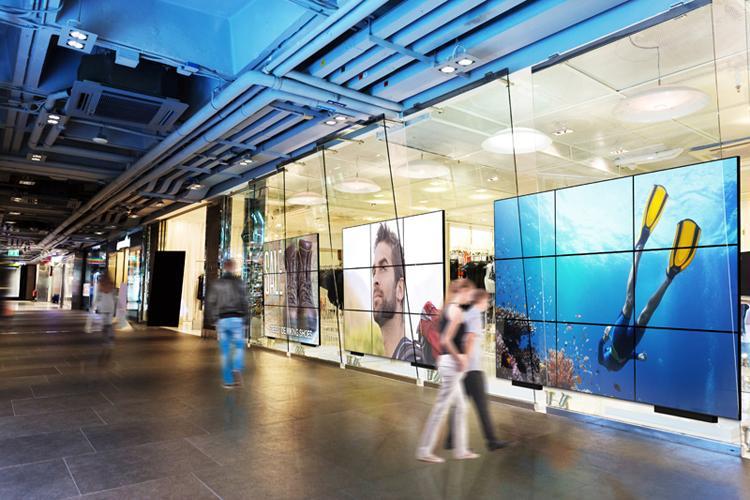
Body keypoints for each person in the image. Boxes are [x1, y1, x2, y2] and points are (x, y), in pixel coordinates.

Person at [598, 184, 701, 371]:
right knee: (645, 315)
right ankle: (670, 276)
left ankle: (639, 247)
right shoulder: (620, 366)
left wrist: (603, 339)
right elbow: (628, 357)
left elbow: (599, 353)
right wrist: (639, 356)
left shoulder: (605, 364)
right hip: (630, 345)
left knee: (629, 302)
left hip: (617, 338)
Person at [416, 279, 479, 463]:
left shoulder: (447, 309)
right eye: (469, 293)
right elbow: (445, 340)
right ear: (462, 291)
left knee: (460, 406)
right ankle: (424, 450)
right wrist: (460, 357)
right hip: (451, 363)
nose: (471, 297)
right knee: (441, 408)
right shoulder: (456, 310)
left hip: (447, 362)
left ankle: (461, 450)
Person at [446, 289, 507, 451]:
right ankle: (492, 441)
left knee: (459, 404)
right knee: (482, 406)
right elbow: (470, 339)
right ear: (480, 301)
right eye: (486, 301)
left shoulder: (466, 315)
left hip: (465, 369)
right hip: (472, 369)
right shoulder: (475, 317)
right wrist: (465, 358)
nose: (488, 304)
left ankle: (450, 439)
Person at [371, 223, 423, 362]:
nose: (375, 279)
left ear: (400, 289)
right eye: (374, 271)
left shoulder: (412, 357)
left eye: (383, 268)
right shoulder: (395, 356)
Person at [207, 259, 249, 388]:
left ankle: (228, 381)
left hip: (223, 320)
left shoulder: (217, 284)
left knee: (225, 352)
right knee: (238, 347)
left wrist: (214, 320)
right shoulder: (240, 283)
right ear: (234, 268)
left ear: (224, 268)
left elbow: (210, 302)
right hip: (237, 319)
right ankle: (236, 367)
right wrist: (246, 320)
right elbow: (245, 302)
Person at [94, 275, 116, 364]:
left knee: (105, 326)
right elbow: (115, 297)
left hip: (104, 308)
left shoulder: (101, 286)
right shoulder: (111, 287)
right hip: (110, 307)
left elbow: (97, 298)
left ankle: (107, 341)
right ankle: (110, 340)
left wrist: (94, 306)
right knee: (108, 325)